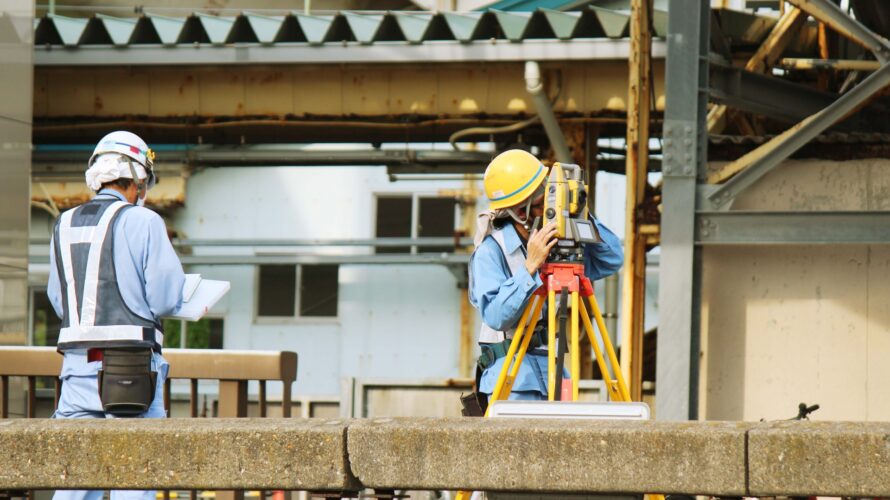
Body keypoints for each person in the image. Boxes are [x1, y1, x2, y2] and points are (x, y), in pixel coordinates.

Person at [47, 131, 185, 500]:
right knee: (134, 479)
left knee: (75, 480)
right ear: (137, 178)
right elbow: (167, 298)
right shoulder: (144, 221)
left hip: (75, 371)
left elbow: (59, 299)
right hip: (131, 371)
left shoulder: (64, 224)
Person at [468, 149, 623, 403]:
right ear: (520, 212)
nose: (549, 208)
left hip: (553, 372)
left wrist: (577, 213)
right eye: (543, 204)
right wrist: (530, 267)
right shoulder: (491, 251)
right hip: (512, 380)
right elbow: (496, 316)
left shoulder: (557, 241)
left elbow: (611, 259)